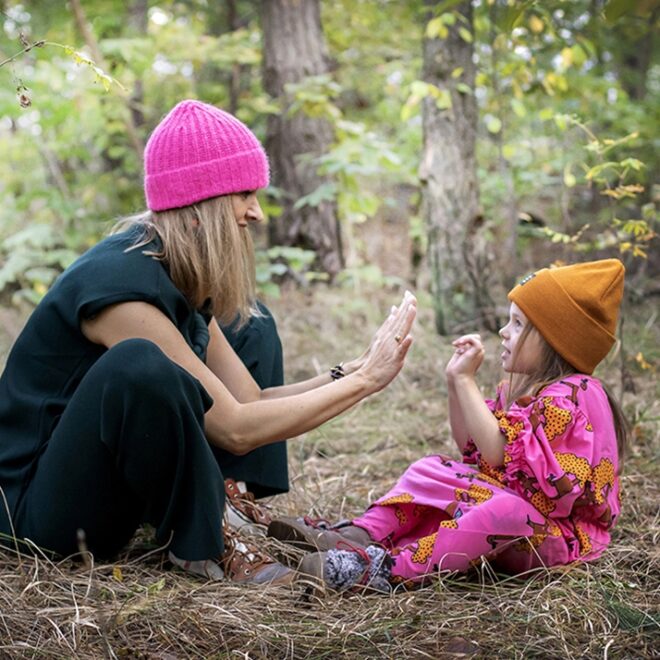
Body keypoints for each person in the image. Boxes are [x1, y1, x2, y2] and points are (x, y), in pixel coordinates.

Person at [0, 99, 417, 585]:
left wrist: (349, 368)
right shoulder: (119, 291)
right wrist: (367, 381)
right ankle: (203, 542)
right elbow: (235, 428)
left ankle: (226, 496)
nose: (256, 212)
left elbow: (250, 399)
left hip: (104, 482)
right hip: (37, 516)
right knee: (140, 363)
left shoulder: (175, 271)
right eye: (244, 193)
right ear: (200, 205)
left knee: (252, 327)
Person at [269, 259, 627, 592]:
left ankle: (384, 570)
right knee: (433, 468)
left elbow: (498, 453)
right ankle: (360, 535)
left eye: (518, 324)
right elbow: (472, 447)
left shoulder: (573, 396)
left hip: (555, 538)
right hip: (508, 520)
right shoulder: (526, 391)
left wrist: (469, 383)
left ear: (554, 340)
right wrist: (456, 381)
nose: (503, 332)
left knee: (507, 511)